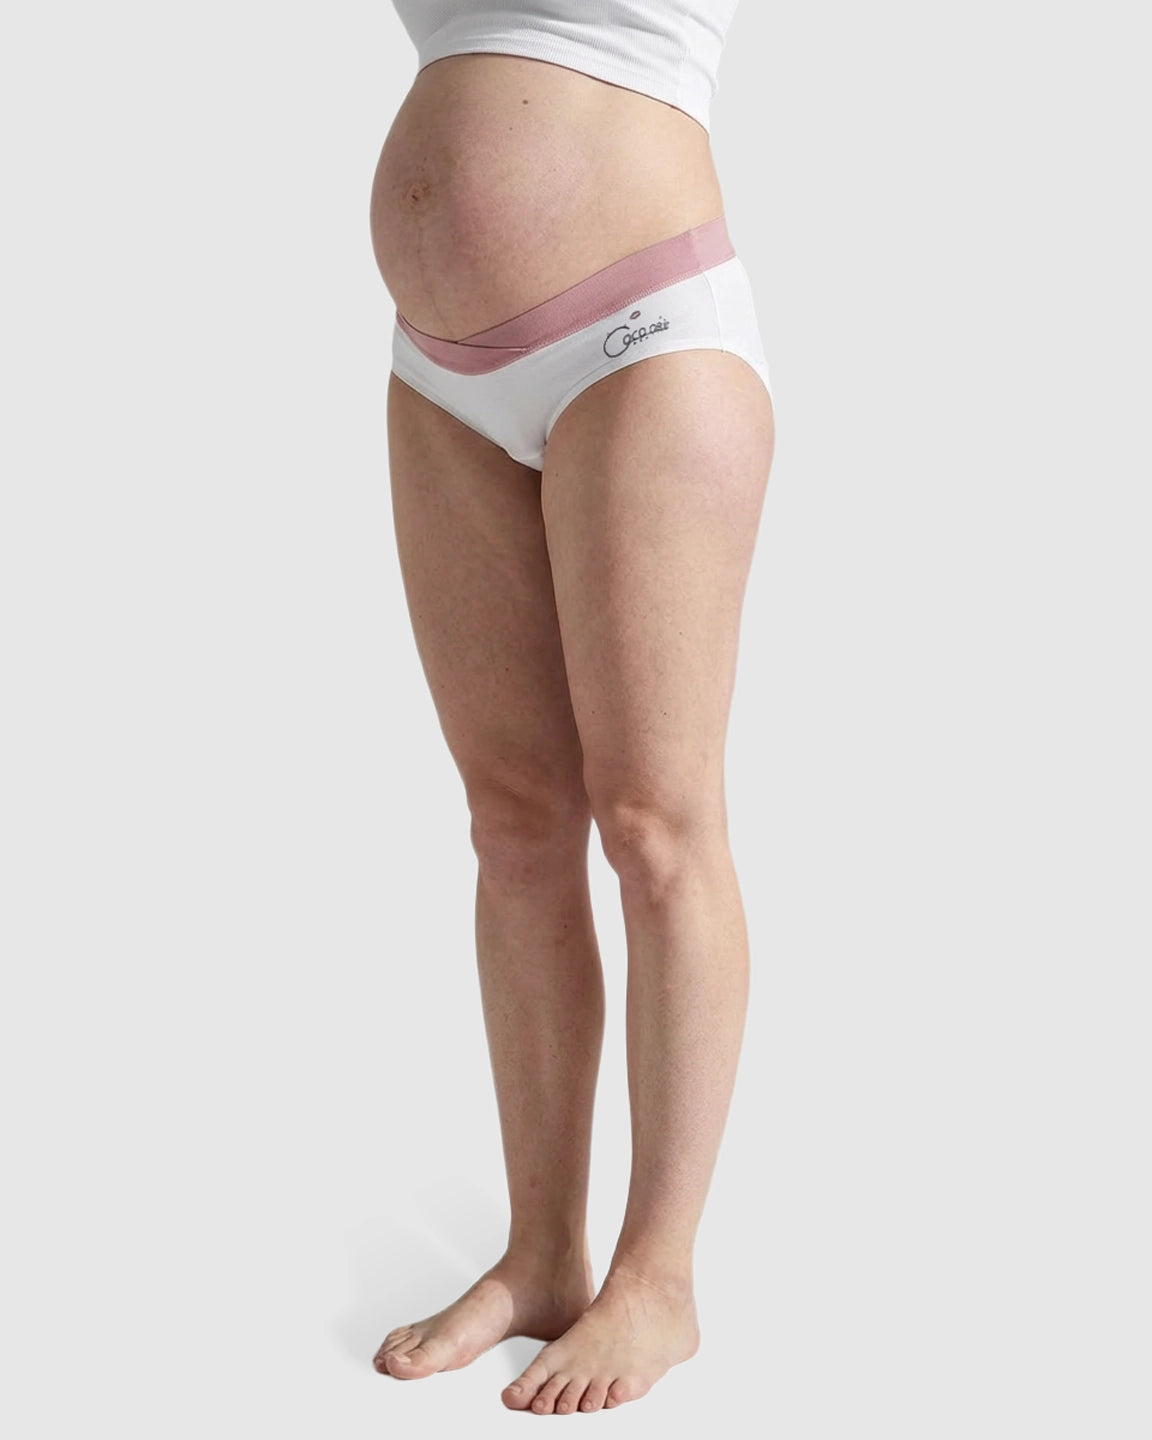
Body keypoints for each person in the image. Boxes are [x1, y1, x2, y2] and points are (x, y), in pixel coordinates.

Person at [368, 0, 775, 1416]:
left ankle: (657, 1277)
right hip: (437, 370)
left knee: (655, 825)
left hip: (641, 333)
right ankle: (542, 1253)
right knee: (514, 824)